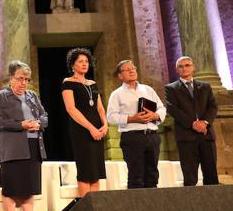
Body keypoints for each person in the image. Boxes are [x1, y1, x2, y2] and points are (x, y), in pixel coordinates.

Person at [0, 61, 48, 211]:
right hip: (13, 148)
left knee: (29, 187)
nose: (23, 83)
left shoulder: (32, 96)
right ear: (11, 78)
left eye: (26, 79)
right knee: (12, 188)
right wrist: (21, 125)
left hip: (33, 146)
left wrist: (39, 123)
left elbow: (44, 116)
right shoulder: (0, 97)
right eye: (20, 78)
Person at [106, 60, 166, 189]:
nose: (132, 71)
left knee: (152, 175)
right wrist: (132, 119)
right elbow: (111, 117)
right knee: (136, 176)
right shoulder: (117, 94)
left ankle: (152, 206)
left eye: (133, 68)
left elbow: (161, 108)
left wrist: (155, 115)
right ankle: (135, 208)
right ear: (120, 75)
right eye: (127, 69)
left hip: (152, 136)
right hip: (132, 137)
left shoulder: (148, 89)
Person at [165, 56, 219, 186]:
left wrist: (204, 122)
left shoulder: (205, 86)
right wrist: (193, 124)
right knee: (190, 176)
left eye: (187, 65)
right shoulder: (171, 88)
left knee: (211, 174)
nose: (184, 68)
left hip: (206, 135)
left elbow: (213, 106)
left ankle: (214, 203)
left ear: (193, 67)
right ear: (177, 70)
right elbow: (173, 109)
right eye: (181, 66)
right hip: (186, 136)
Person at [61, 48, 108, 197]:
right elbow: (71, 109)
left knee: (96, 171)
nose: (84, 64)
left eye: (86, 61)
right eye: (80, 61)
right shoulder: (68, 82)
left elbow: (100, 108)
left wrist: (105, 125)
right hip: (82, 129)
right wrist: (91, 128)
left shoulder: (93, 84)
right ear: (72, 65)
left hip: (97, 130)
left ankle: (95, 208)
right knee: (85, 171)